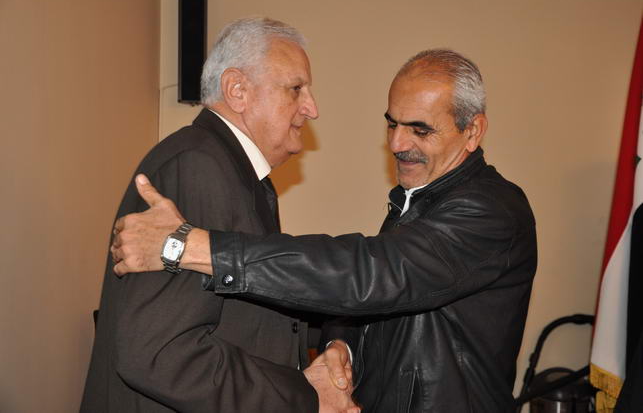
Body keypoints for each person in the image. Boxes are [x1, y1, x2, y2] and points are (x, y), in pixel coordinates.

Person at [112, 49, 538, 412]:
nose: (396, 143)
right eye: (392, 124)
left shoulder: (491, 210)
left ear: (472, 131)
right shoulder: (420, 198)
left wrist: (195, 247)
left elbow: (375, 273)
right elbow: (376, 303)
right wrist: (340, 347)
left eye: (419, 129)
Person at [82, 17, 359, 413]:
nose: (311, 108)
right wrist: (303, 395)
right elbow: (161, 354)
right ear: (237, 90)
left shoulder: (234, 172)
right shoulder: (198, 167)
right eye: (296, 88)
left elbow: (251, 315)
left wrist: (335, 338)